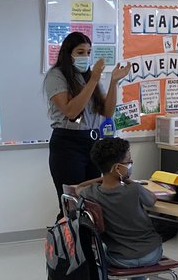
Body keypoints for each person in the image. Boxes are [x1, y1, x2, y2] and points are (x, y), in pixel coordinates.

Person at [44, 32, 130, 211]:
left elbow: (107, 112)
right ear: (68, 54)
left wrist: (113, 82)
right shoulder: (57, 75)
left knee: (91, 202)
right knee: (72, 204)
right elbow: (71, 111)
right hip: (68, 143)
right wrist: (93, 80)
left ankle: (88, 239)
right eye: (80, 52)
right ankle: (66, 239)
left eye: (88, 52)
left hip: (92, 143)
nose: (86, 57)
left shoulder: (88, 76)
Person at [76, 136, 163, 275]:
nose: (130, 165)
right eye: (129, 162)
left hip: (118, 259)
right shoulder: (134, 189)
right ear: (117, 168)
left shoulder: (90, 193)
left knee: (102, 250)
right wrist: (128, 179)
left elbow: (77, 188)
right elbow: (152, 199)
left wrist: (104, 177)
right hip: (150, 254)